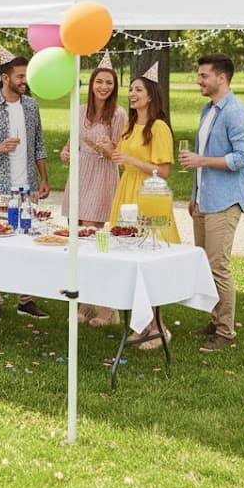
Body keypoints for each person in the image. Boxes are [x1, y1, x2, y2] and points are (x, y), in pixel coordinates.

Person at [179, 53, 244, 352]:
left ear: (221, 78)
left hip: (225, 201)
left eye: (203, 75)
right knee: (205, 264)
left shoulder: (236, 112)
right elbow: (202, 158)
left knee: (218, 266)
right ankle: (214, 319)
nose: (199, 80)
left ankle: (225, 332)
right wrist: (195, 195)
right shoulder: (208, 109)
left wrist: (202, 161)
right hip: (204, 200)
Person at [102, 63, 180, 345]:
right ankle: (143, 323)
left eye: (138, 90)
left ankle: (159, 326)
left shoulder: (159, 128)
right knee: (129, 255)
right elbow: (121, 158)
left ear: (150, 96)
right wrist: (107, 149)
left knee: (149, 258)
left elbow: (165, 170)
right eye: (131, 90)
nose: (132, 94)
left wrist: (132, 162)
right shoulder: (129, 125)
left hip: (149, 195)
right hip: (126, 193)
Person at [0, 50, 50, 322]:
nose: (25, 80)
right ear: (5, 78)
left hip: (26, 188)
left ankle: (25, 299)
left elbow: (39, 144)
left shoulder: (31, 107)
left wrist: (44, 179)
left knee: (28, 244)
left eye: (26, 75)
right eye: (20, 76)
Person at [60, 54, 126, 324]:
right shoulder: (81, 110)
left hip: (102, 174)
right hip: (79, 175)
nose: (104, 87)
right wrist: (66, 150)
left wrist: (105, 148)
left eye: (109, 83)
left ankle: (106, 308)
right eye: (99, 81)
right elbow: (73, 141)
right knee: (74, 237)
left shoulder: (119, 115)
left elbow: (118, 154)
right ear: (92, 84)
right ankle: (84, 302)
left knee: (92, 240)